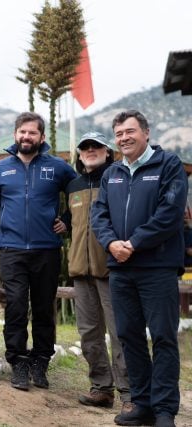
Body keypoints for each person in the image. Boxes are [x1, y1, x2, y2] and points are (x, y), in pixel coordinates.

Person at [0, 112, 76, 391]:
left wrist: (69, 220)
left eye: (32, 133)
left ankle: (41, 361)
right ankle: (19, 362)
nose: (26, 137)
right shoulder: (1, 169)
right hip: (11, 250)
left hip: (47, 250)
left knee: (45, 310)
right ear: (15, 134)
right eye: (22, 132)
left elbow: (81, 194)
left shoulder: (58, 167)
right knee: (17, 308)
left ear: (42, 137)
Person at [91, 110, 186, 427]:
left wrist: (133, 243)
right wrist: (110, 243)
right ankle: (141, 403)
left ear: (146, 133)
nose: (124, 138)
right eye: (118, 134)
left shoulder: (168, 166)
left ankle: (164, 410)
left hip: (157, 267)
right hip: (120, 268)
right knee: (128, 336)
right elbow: (99, 215)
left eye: (129, 131)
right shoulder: (111, 173)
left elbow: (170, 213)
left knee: (163, 338)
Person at [64, 132, 131, 411]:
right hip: (81, 270)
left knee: (121, 333)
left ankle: (130, 394)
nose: (90, 150)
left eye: (97, 147)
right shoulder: (72, 186)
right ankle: (101, 388)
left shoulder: (118, 179)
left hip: (113, 270)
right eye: (85, 148)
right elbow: (68, 222)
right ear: (79, 155)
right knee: (89, 334)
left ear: (107, 152)